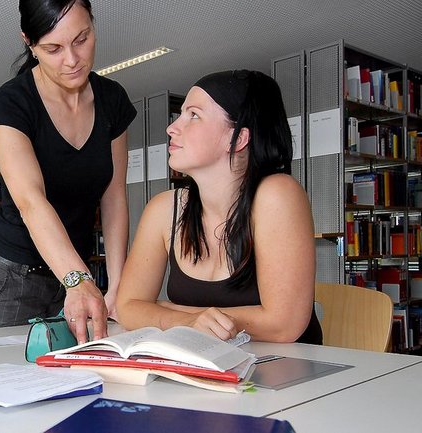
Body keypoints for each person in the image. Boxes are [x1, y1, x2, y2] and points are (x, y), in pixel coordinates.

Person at [116, 70, 322, 344]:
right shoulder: (164, 209)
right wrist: (189, 321)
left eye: (194, 115)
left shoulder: (278, 194)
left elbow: (284, 325)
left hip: (284, 372)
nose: (172, 128)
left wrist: (168, 310)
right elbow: (128, 308)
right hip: (209, 368)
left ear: (237, 139)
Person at [0, 0, 136, 342]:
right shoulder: (12, 102)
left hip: (78, 269)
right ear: (29, 43)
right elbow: (30, 201)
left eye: (81, 39)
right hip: (15, 272)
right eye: (53, 48)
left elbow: (114, 198)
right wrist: (78, 280)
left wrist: (118, 285)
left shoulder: (113, 100)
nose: (72, 59)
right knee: (17, 379)